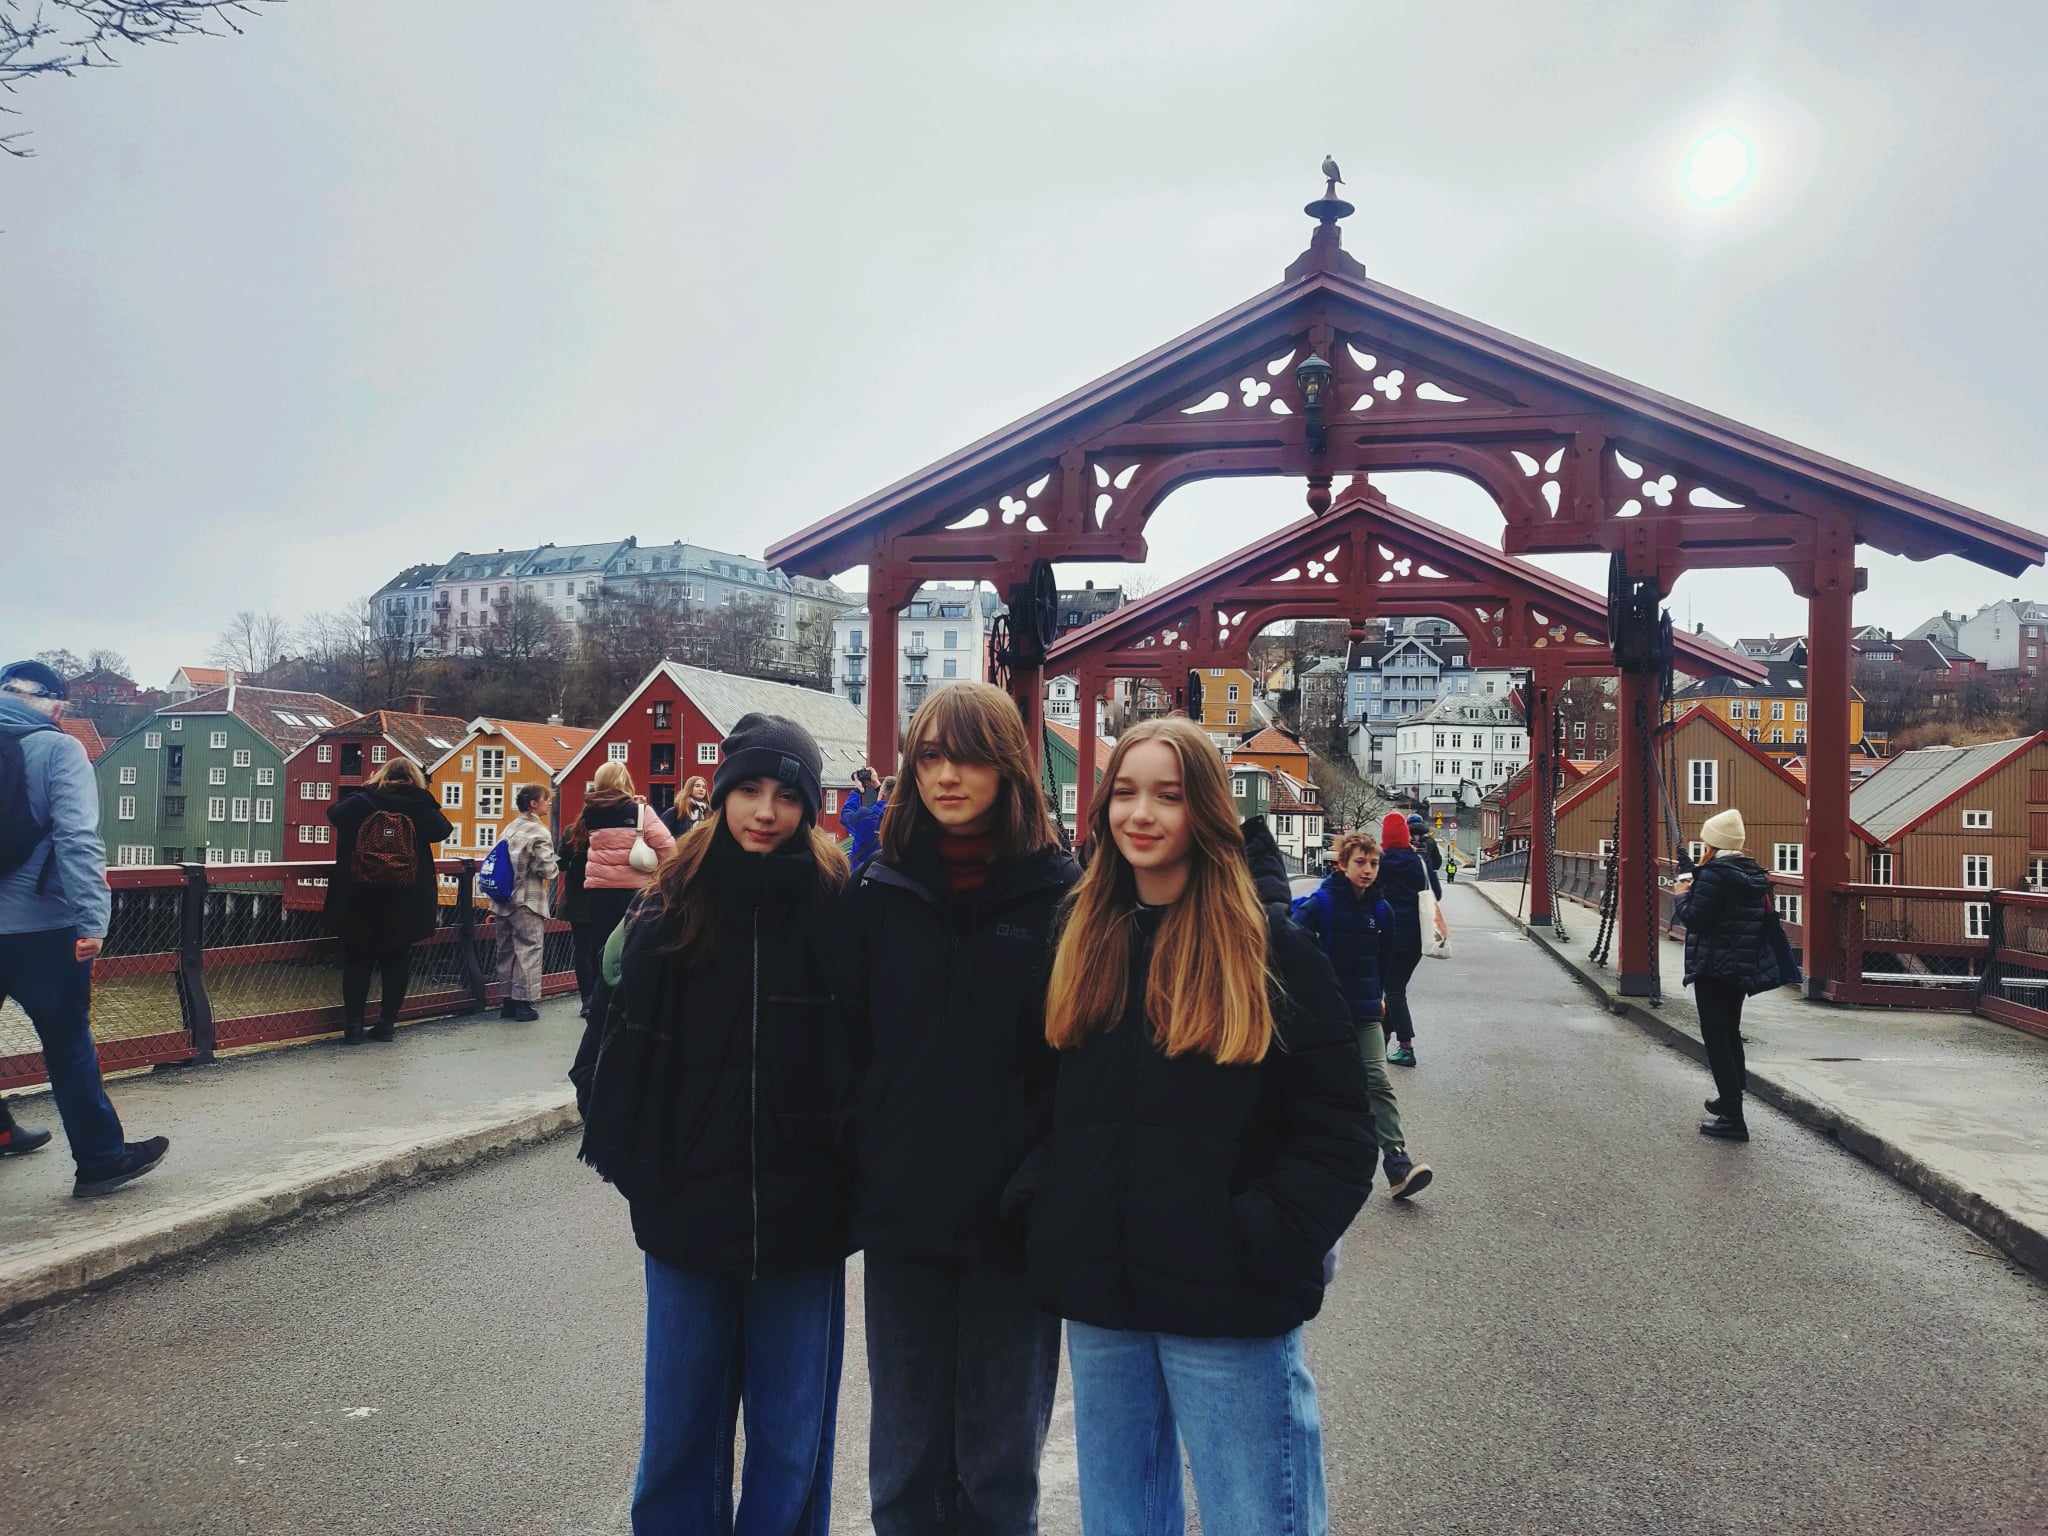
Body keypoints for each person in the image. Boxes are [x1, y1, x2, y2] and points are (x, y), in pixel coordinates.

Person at [1029, 718, 1373, 1536]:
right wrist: (1050, 1209)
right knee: (1119, 1519)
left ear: (1207, 812)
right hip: (1104, 1292)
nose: (1140, 814)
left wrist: (1260, 1238)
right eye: (1125, 793)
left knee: (1255, 1515)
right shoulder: (1081, 942)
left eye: (1168, 796)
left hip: (1227, 1296)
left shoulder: (1271, 952)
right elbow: (1041, 1101)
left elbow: (1338, 1130)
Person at [579, 714, 854, 1535]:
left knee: (790, 1440)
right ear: (724, 793)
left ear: (808, 806)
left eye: (786, 796)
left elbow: (870, 1056)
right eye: (749, 790)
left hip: (804, 1218)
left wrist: (849, 1177)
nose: (765, 811)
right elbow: (607, 1055)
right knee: (680, 1435)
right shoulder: (669, 909)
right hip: (687, 1211)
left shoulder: (839, 909)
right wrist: (647, 1174)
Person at [846, 682, 1079, 1535]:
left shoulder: (1060, 898)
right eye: (931, 757)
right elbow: (846, 1048)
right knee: (904, 1465)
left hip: (1014, 1226)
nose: (947, 776)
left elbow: (1080, 1062)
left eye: (969, 757)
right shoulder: (879, 894)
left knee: (998, 1468)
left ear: (1008, 766)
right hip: (904, 1219)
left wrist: (1042, 1182)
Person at [0, 660, 168, 1194]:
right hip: (43, 929)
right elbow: (77, 839)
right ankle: (101, 1159)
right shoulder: (59, 749)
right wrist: (94, 919)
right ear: (54, 707)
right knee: (68, 1042)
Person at [1293, 829, 1435, 1199]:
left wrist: (1381, 994)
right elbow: (1291, 939)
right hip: (1325, 1013)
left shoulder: (1382, 911)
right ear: (1342, 865)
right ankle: (1304, 1164)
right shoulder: (1322, 904)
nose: (1368, 870)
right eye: (1360, 862)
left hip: (1366, 1011)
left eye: (1373, 863)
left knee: (1377, 1081)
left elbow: (1383, 959)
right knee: (1320, 1088)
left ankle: (1397, 1163)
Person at [1673, 808, 1795, 1143]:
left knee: (1717, 1039)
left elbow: (1695, 917)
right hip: (1739, 966)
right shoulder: (1750, 872)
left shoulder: (1714, 875)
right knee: (1729, 1034)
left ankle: (1733, 1118)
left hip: (1713, 966)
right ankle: (1730, 1099)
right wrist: (1695, 875)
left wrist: (1682, 892)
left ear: (1713, 844)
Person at [323, 758, 454, 1045]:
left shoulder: (361, 802)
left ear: (380, 776)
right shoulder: (420, 804)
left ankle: (353, 1027)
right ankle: (386, 1024)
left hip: (360, 895)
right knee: (396, 961)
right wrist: (423, 797)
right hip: (404, 898)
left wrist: (367, 789)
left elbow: (334, 814)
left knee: (357, 960)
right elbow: (443, 830)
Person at [562, 762, 674, 1018]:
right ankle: (632, 1005)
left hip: (599, 891)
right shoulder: (639, 811)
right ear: (625, 781)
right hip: (634, 891)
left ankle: (602, 1005)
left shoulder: (590, 813)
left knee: (603, 949)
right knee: (635, 947)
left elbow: (573, 846)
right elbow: (668, 848)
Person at [489, 784, 557, 1022]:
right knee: (529, 949)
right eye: (546, 799)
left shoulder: (509, 827)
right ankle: (523, 1004)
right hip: (528, 899)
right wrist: (557, 861)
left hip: (503, 899)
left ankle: (507, 1001)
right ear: (534, 804)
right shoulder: (539, 831)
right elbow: (547, 869)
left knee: (506, 950)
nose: (549, 803)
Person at [1375, 811, 1435, 1067]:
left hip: (1389, 935)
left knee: (1393, 990)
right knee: (1396, 988)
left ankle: (1406, 1047)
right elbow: (1435, 893)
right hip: (1417, 937)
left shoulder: (1381, 862)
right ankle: (1384, 1038)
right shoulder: (1418, 861)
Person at [843, 766, 888, 870]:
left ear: (881, 794)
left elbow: (846, 815)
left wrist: (858, 790)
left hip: (862, 873)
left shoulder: (866, 816)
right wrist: (877, 785)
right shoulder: (902, 819)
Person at [659, 775, 712, 840]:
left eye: (704, 787)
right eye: (697, 786)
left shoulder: (709, 812)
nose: (701, 789)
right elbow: (661, 835)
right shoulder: (675, 811)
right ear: (689, 788)